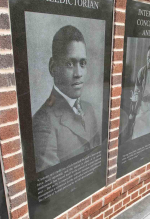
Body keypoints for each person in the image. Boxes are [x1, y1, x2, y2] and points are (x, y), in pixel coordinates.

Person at [32, 25, 100, 172]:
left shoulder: (89, 109)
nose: (78, 73)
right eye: (70, 64)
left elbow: (98, 160)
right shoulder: (43, 121)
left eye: (83, 63)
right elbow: (53, 184)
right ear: (52, 67)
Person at [128, 44, 150, 140]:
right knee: (138, 125)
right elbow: (136, 89)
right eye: (148, 57)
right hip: (142, 103)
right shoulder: (141, 72)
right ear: (146, 57)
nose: (149, 60)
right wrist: (134, 98)